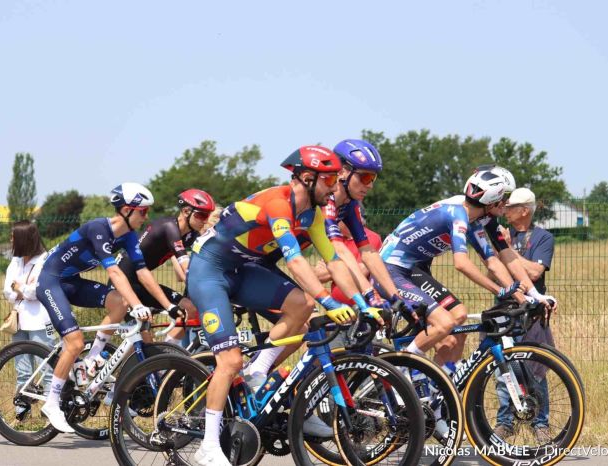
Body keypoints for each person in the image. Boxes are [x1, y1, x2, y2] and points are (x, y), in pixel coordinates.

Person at [187, 145, 383, 466]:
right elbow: (295, 261)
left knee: (302, 305)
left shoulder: (312, 214)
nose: (334, 186)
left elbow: (334, 262)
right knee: (230, 360)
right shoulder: (279, 204)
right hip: (208, 271)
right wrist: (328, 301)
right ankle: (207, 446)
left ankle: (258, 371)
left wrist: (363, 303)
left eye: (336, 178)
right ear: (306, 178)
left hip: (240, 270)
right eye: (329, 179)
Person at [36, 182, 183, 433]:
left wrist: (168, 305)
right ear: (126, 210)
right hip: (51, 282)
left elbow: (143, 272)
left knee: (119, 302)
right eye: (143, 211)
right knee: (74, 343)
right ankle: (51, 403)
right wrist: (138, 305)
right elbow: (114, 272)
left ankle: (93, 356)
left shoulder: (129, 236)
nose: (146, 216)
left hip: (73, 282)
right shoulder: (98, 228)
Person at [379, 166, 529, 370]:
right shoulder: (458, 214)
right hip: (391, 269)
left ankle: (436, 381)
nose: (505, 205)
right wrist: (499, 290)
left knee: (457, 321)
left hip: (409, 270)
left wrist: (523, 296)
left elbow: (493, 262)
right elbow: (461, 263)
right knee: (445, 324)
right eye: (503, 200)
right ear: (491, 203)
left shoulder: (472, 221)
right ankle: (398, 370)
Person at [493, 187, 556, 442]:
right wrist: (502, 252)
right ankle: (505, 422)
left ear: (524, 211)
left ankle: (540, 423)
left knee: (534, 367)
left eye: (510, 207)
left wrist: (508, 249)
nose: (505, 211)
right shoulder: (499, 235)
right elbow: (492, 272)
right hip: (504, 308)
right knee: (502, 368)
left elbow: (534, 273)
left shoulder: (543, 237)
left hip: (531, 312)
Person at [115, 188, 216, 346]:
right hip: (124, 283)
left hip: (141, 283)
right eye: (202, 215)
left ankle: (169, 353)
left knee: (190, 308)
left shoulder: (190, 234)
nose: (205, 220)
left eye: (208, 216)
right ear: (185, 211)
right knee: (146, 344)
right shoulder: (169, 227)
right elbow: (186, 268)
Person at [322, 139, 400, 306]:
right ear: (342, 172)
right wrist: (370, 294)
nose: (370, 185)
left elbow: (368, 252)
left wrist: (396, 297)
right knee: (303, 307)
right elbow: (340, 251)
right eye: (365, 177)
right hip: (269, 253)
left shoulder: (349, 205)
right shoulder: (326, 201)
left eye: (373, 178)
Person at [4, 220, 55, 412]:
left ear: (24, 239)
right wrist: (22, 289)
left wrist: (20, 288)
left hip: (40, 320)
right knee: (22, 368)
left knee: (47, 367)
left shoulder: (44, 260)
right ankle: (22, 409)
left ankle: (50, 410)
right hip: (19, 321)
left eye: (13, 237)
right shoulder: (15, 261)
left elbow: (38, 291)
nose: (11, 240)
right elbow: (7, 291)